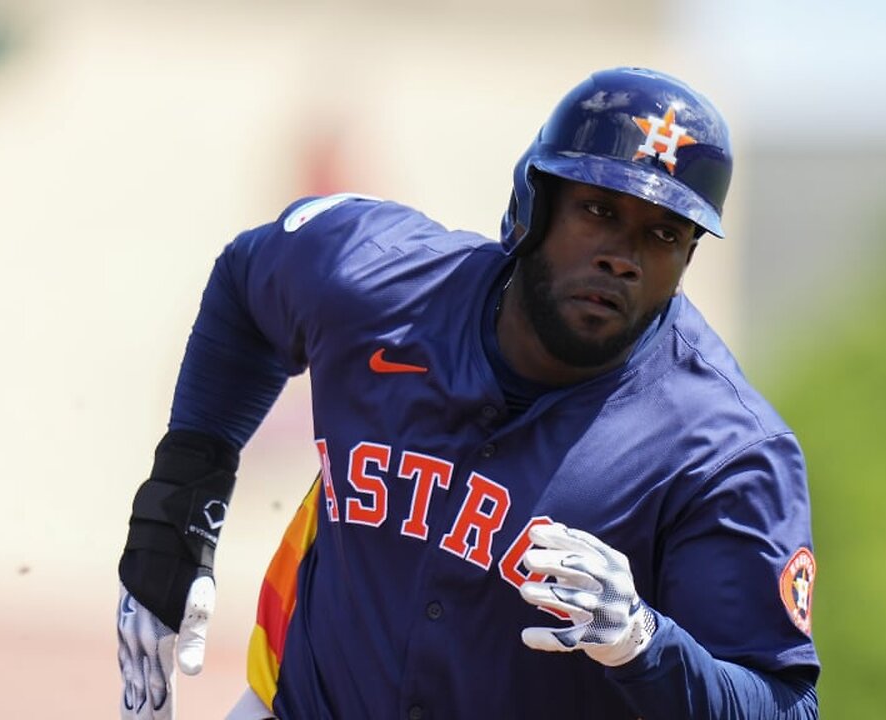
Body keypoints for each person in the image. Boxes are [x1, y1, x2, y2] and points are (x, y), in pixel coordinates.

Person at [117, 66, 820, 720]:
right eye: (599, 211)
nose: (624, 257)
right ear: (532, 204)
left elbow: (782, 706)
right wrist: (181, 505)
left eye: (662, 232)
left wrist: (645, 642)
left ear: (688, 257)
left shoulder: (724, 448)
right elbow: (248, 278)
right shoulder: (380, 280)